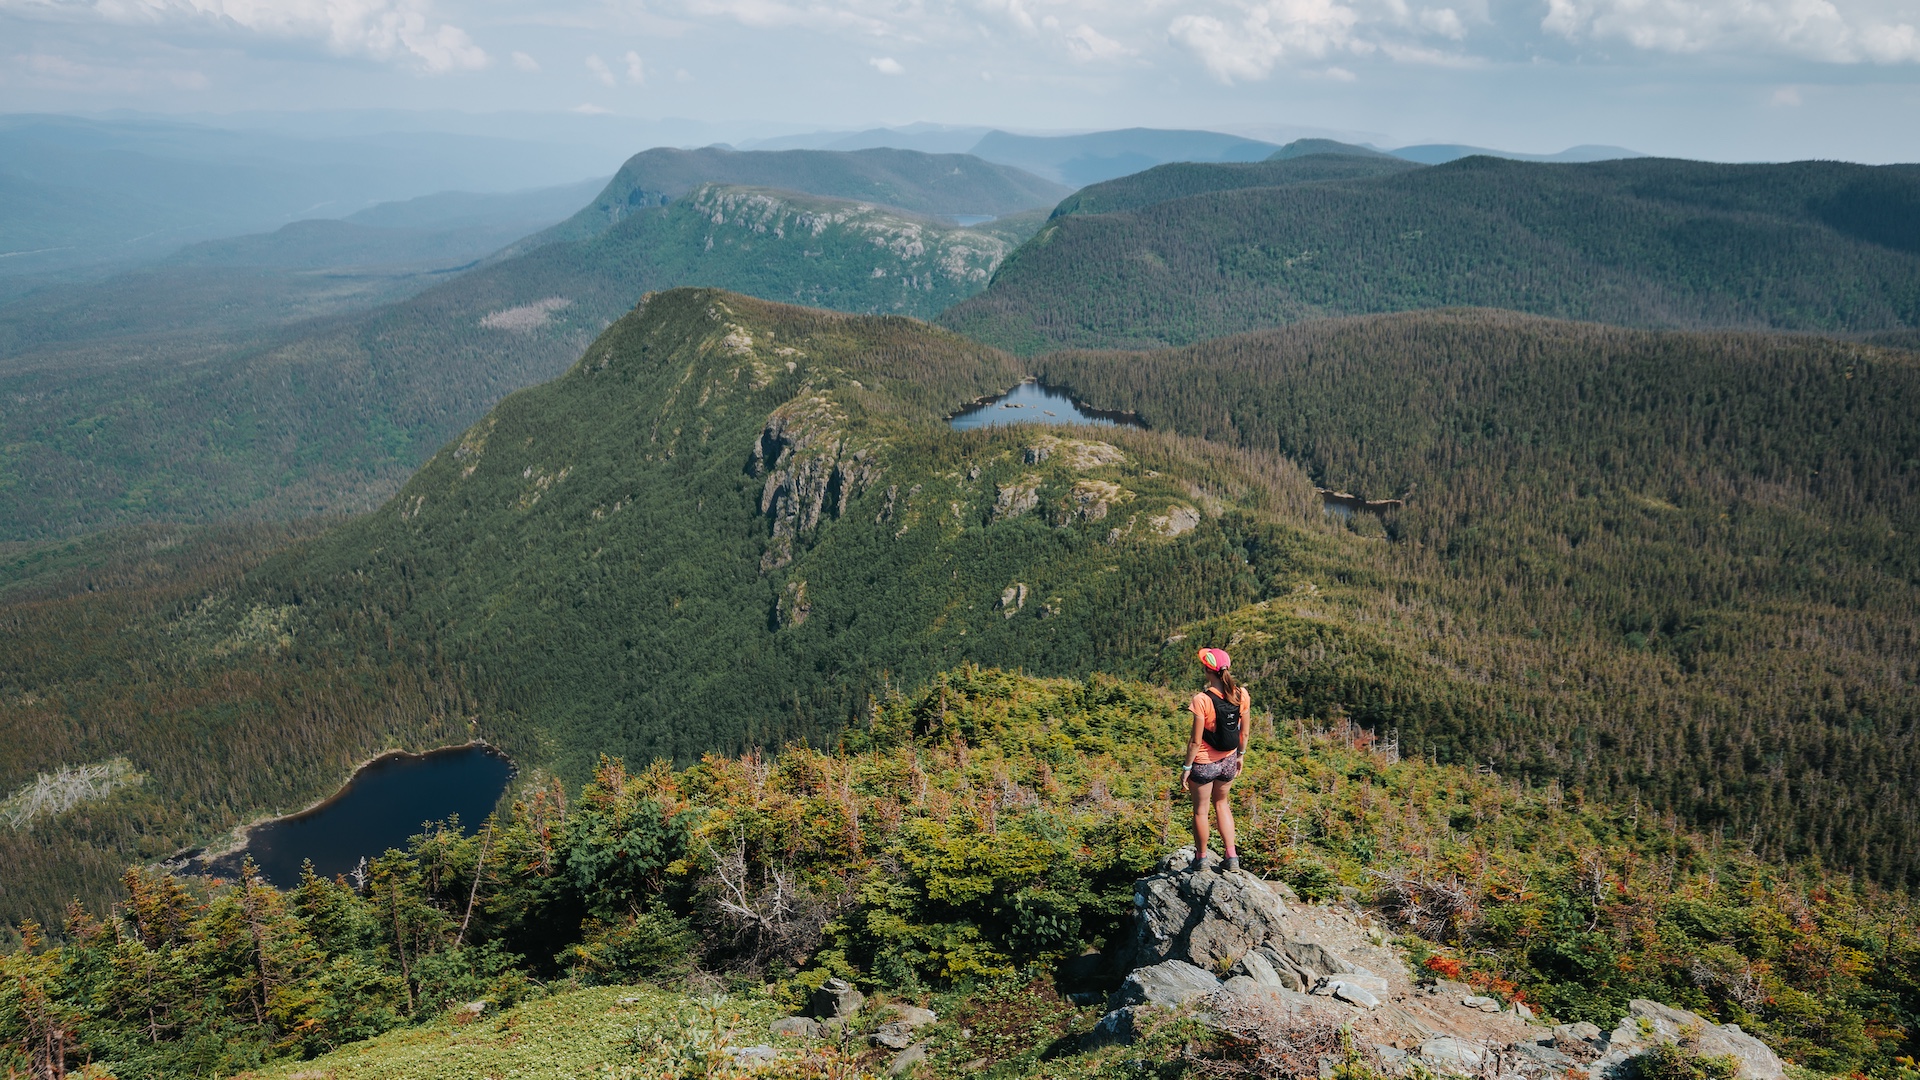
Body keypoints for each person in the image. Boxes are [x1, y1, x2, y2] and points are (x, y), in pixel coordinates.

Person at [1181, 647, 1250, 873]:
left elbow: (1195, 740)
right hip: (1229, 760)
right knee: (1222, 804)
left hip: (1203, 764)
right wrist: (1240, 756)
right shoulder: (1242, 694)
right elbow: (1245, 733)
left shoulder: (1201, 699)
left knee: (1201, 811)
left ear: (1207, 669)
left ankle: (1201, 859)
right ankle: (1231, 857)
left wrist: (1187, 767)